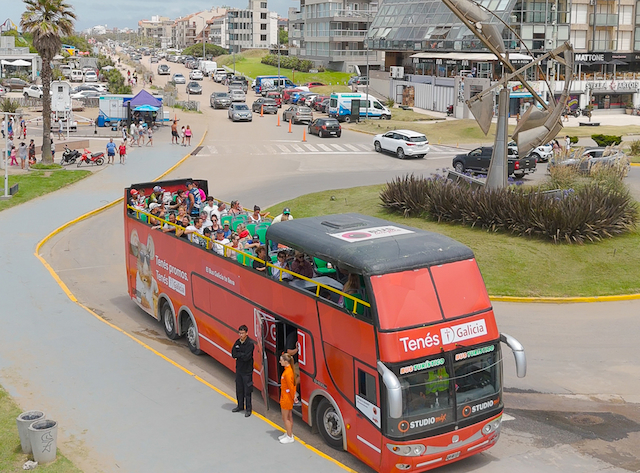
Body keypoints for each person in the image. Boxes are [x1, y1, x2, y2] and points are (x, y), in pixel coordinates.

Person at [231, 325, 254, 417]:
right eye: (239, 333)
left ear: (247, 333)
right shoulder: (237, 342)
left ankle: (248, 409)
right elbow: (233, 354)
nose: (241, 335)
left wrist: (239, 355)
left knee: (247, 391)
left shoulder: (250, 344)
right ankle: (240, 406)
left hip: (247, 371)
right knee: (239, 389)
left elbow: (247, 357)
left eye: (242, 333)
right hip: (239, 370)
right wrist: (241, 355)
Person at [278, 353, 296, 444]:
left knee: (285, 418)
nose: (280, 362)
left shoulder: (287, 373)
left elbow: (290, 386)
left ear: (286, 361)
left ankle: (289, 436)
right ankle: (289, 433)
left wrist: (293, 397)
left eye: (281, 360)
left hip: (286, 397)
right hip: (287, 396)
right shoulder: (289, 371)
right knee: (288, 416)